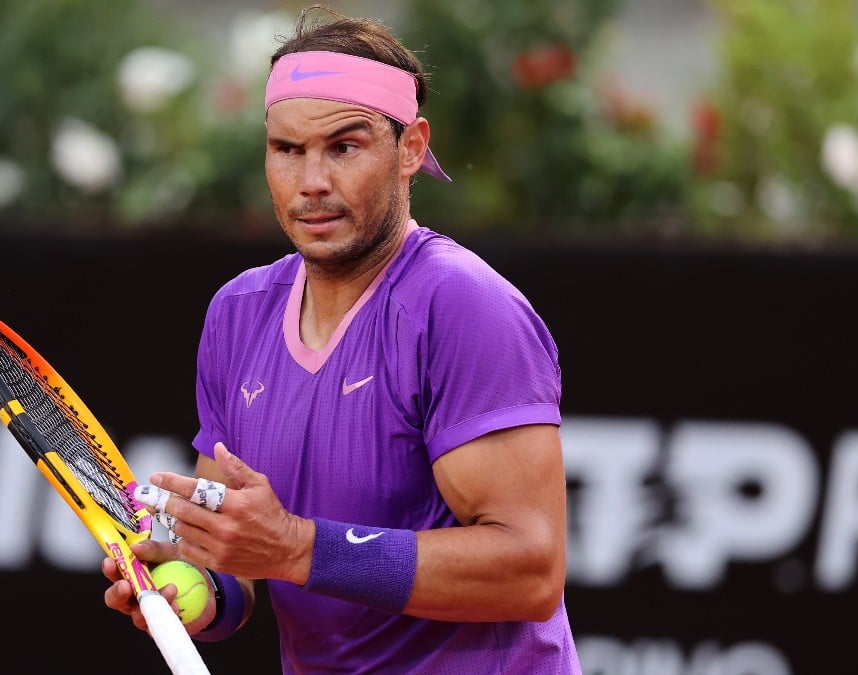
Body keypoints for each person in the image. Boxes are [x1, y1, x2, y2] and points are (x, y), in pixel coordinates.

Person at [103, 4, 580, 673]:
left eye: (345, 146)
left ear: (410, 147)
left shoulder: (463, 305)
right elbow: (234, 562)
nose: (312, 183)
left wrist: (298, 546)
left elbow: (529, 570)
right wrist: (193, 590)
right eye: (288, 150)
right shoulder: (238, 313)